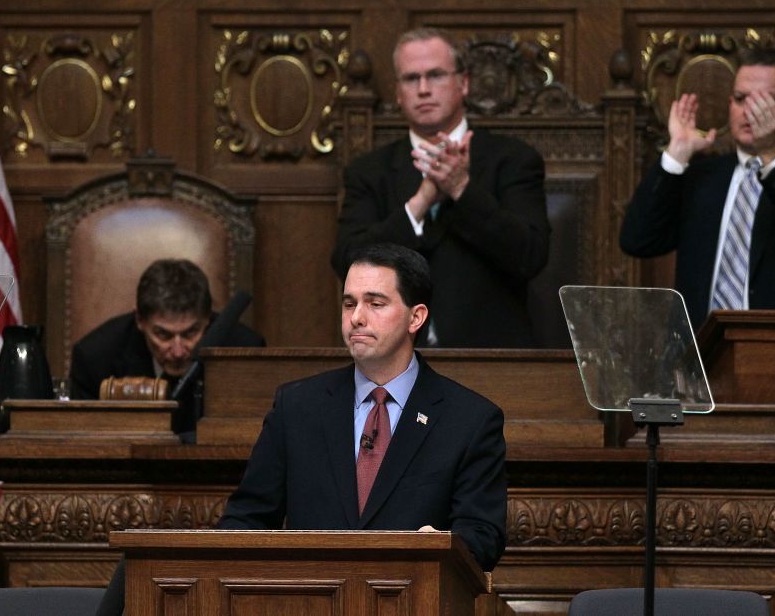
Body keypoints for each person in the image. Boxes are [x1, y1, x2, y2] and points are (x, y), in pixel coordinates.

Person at [94, 244, 507, 616]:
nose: (357, 318)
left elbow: (483, 535)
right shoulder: (298, 406)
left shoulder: (468, 419)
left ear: (416, 317)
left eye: (375, 303)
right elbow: (248, 518)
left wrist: (441, 547)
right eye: (349, 304)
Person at [620, 46, 775, 438]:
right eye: (741, 99)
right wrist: (676, 156)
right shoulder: (702, 176)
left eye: (765, 100)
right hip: (702, 374)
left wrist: (772, 156)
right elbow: (637, 239)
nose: (750, 111)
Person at [331, 27, 551, 348]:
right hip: (394, 356)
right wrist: (421, 201)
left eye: (435, 75)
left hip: (491, 356)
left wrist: (462, 189)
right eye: (411, 78)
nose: (423, 89)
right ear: (397, 92)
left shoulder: (514, 159)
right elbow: (348, 263)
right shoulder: (369, 171)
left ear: (463, 83)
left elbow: (529, 256)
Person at [69, 258, 264, 435]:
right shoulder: (95, 357)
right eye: (163, 335)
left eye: (190, 333)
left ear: (208, 319)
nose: (178, 352)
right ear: (139, 320)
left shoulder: (244, 352)